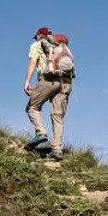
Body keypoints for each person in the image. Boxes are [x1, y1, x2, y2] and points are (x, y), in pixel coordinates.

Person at [23, 27, 71, 161]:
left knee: (32, 107)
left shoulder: (38, 44)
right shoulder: (61, 45)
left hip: (49, 79)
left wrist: (27, 81)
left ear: (39, 35)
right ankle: (57, 150)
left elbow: (33, 61)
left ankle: (41, 133)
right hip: (65, 81)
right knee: (57, 116)